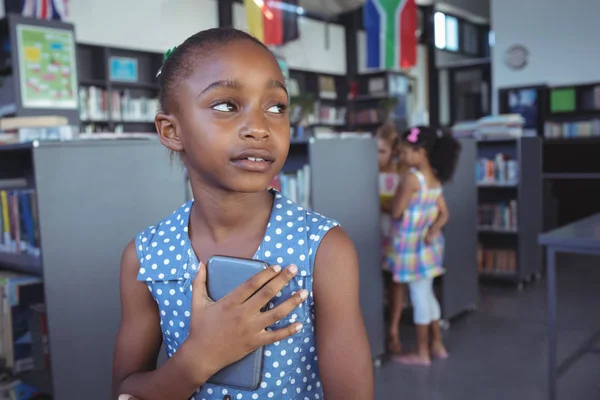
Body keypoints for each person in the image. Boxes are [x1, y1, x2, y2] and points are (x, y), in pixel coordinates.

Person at [110, 27, 373, 400]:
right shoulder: (145, 257)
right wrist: (198, 358)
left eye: (276, 107)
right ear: (172, 130)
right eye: (226, 105)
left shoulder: (324, 249)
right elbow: (123, 391)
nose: (259, 128)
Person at [386, 125, 461, 367]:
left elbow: (397, 211)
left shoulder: (411, 179)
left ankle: (421, 353)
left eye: (406, 152)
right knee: (427, 294)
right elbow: (445, 213)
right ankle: (437, 344)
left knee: (419, 297)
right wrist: (434, 229)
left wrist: (383, 202)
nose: (403, 157)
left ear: (422, 152)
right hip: (430, 247)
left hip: (411, 248)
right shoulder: (435, 179)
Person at [376, 124, 404, 355]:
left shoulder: (400, 175)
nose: (377, 157)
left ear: (393, 151)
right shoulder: (367, 173)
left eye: (382, 151)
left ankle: (393, 329)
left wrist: (381, 204)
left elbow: (398, 208)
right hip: (373, 235)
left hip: (395, 236)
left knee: (396, 283)